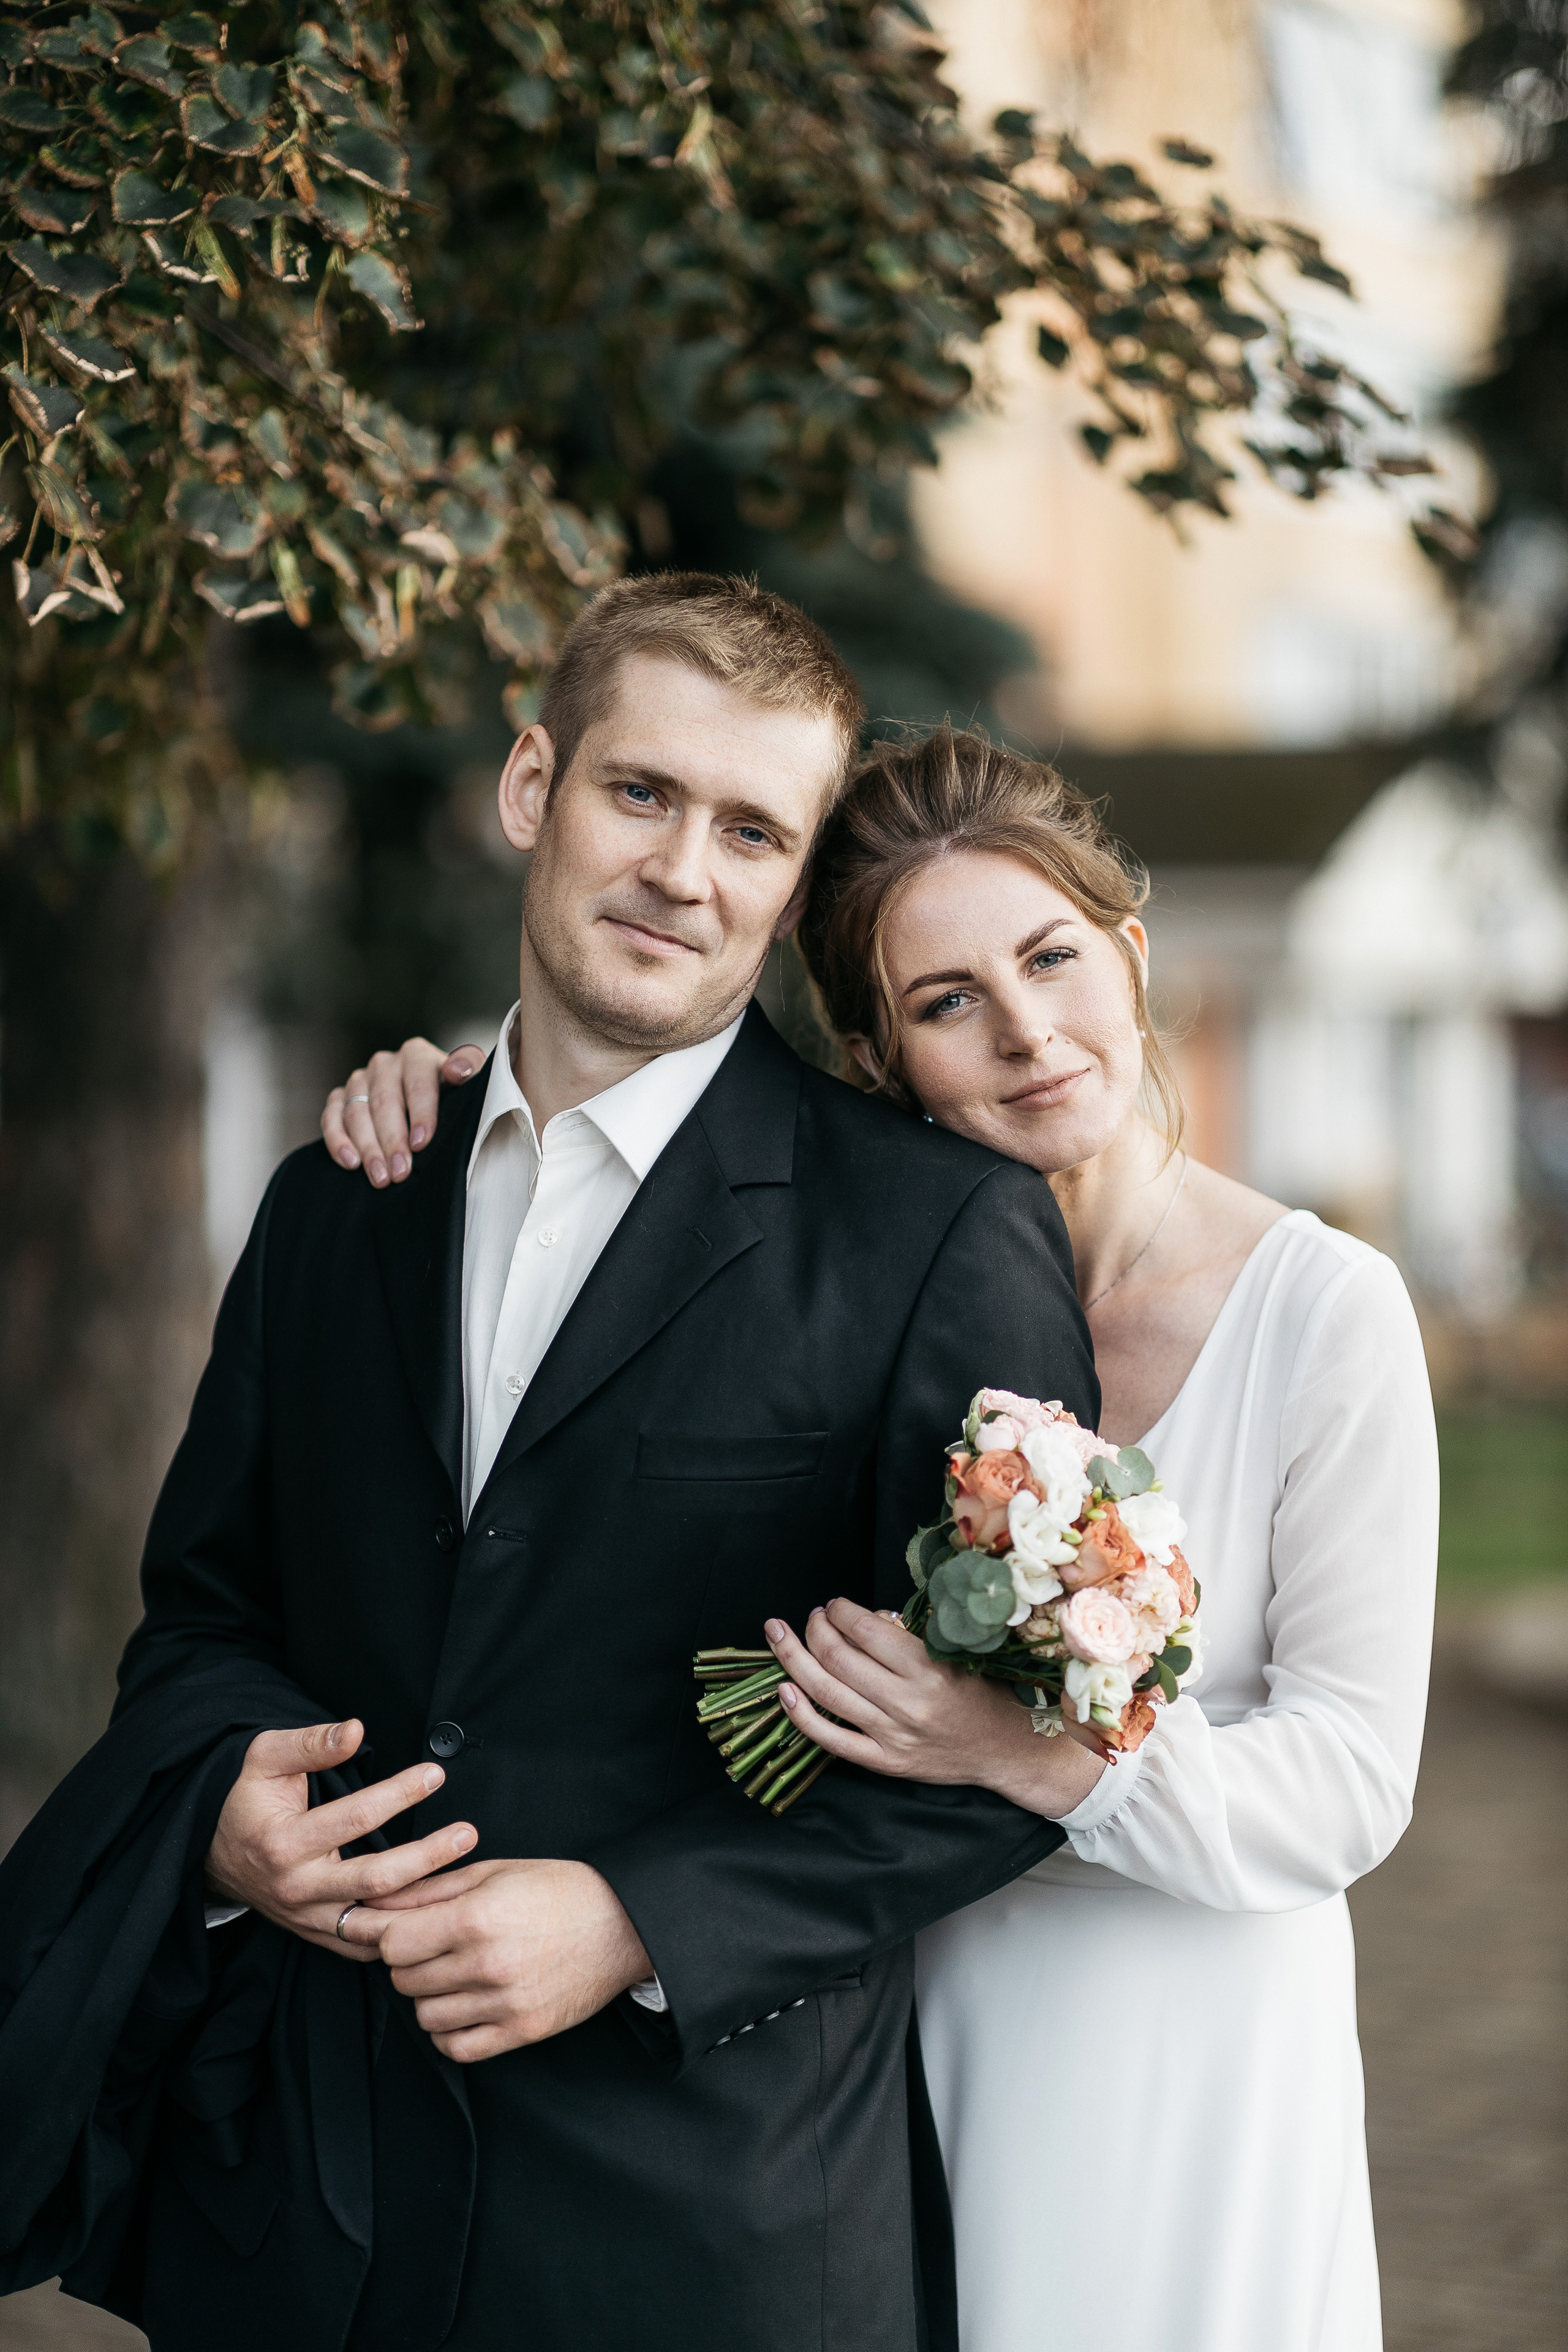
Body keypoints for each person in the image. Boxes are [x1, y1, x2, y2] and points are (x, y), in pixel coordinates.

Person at [0, 584, 1112, 2352]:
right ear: (532, 786)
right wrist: (222, 1809)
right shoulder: (336, 1204)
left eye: (754, 830)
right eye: (641, 794)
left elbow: (1009, 1755)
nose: (685, 870)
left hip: (704, 2227)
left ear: (794, 874)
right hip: (311, 2211)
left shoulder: (938, 1238)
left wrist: (635, 1922)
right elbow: (205, 1616)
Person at [350, 725, 1437, 2352]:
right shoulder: (850, 1309)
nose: (1026, 1032)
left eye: (1052, 958)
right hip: (906, 2017)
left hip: (1195, 2030)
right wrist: (465, 1106)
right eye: (946, 1003)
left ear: (1129, 955)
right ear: (881, 1061)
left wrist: (1031, 1751)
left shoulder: (1324, 1309)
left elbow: (1352, 1777)